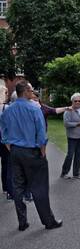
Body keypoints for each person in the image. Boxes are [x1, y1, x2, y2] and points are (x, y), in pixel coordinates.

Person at [4, 80, 58, 230]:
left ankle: (22, 222)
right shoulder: (34, 109)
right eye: (32, 90)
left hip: (15, 151)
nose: (34, 93)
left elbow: (4, 133)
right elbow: (41, 135)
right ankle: (48, 221)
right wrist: (42, 152)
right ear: (26, 91)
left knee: (18, 186)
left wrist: (11, 147)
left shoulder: (8, 110)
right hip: (32, 152)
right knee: (40, 187)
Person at [58, 91, 80, 177]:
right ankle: (64, 173)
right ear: (72, 101)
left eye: (79, 101)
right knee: (70, 155)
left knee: (78, 155)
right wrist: (78, 124)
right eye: (75, 101)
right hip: (72, 137)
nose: (77, 102)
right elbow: (66, 123)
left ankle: (76, 173)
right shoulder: (68, 110)